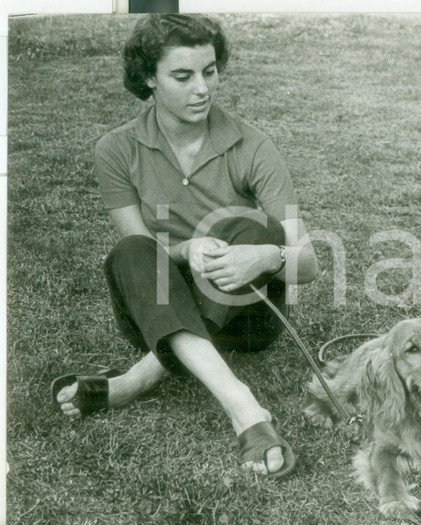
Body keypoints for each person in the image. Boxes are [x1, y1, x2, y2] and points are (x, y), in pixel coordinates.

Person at [52, 14, 318, 478]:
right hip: (158, 308)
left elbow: (308, 264)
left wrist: (264, 256)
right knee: (133, 250)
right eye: (183, 75)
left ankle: (137, 379)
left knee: (251, 226)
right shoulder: (116, 149)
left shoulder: (254, 146)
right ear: (148, 79)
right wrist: (185, 251)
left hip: (249, 318)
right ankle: (245, 408)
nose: (203, 88)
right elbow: (143, 251)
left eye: (210, 71)